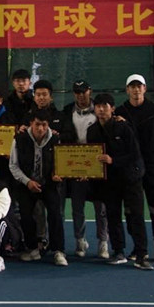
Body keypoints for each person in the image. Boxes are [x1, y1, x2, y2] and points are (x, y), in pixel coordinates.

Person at [87, 93, 153, 270]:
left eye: (105, 106)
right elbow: (91, 157)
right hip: (109, 181)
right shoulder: (92, 131)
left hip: (131, 178)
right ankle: (119, 252)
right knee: (113, 216)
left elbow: (134, 154)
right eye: (98, 106)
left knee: (136, 216)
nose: (101, 109)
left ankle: (141, 255)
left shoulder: (123, 127)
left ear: (112, 109)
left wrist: (113, 160)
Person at [115, 73, 154, 264]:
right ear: (127, 90)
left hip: (152, 168)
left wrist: (153, 157)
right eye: (132, 86)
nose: (136, 90)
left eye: (139, 86)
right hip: (131, 169)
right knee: (132, 211)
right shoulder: (120, 111)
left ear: (145, 89)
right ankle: (138, 248)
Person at [9, 109, 67, 266]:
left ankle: (58, 251)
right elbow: (13, 165)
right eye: (37, 124)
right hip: (26, 183)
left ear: (48, 125)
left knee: (55, 214)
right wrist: (27, 182)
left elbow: (61, 162)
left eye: (44, 125)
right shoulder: (19, 139)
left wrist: (57, 173)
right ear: (31, 124)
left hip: (49, 184)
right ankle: (33, 248)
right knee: (26, 215)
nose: (40, 128)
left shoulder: (55, 139)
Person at [61, 80, 109, 259]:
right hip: (75, 166)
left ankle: (103, 242)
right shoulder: (67, 111)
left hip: (97, 166)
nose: (81, 95)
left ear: (90, 91)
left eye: (83, 91)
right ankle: (80, 241)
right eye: (77, 92)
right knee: (77, 207)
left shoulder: (100, 109)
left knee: (101, 208)